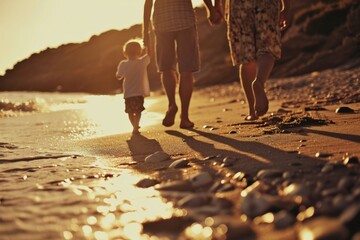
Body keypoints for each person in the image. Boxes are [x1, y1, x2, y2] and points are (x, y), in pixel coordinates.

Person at [143, 0, 221, 129]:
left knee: (166, 68)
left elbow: (148, 2)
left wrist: (146, 32)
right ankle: (184, 117)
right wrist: (211, 9)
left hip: (162, 22)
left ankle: (172, 104)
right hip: (185, 20)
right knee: (186, 70)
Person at [213, 0, 290, 120]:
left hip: (238, 6)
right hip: (266, 4)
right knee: (267, 48)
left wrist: (216, 6)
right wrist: (286, 7)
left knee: (246, 57)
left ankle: (252, 112)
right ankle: (259, 81)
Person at [116, 40, 151, 134]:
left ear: (125, 53)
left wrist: (119, 75)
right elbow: (150, 54)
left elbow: (119, 76)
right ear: (139, 52)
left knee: (130, 112)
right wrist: (148, 43)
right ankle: (136, 125)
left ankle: (134, 126)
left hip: (128, 93)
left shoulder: (123, 64)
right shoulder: (142, 62)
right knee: (138, 111)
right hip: (139, 93)